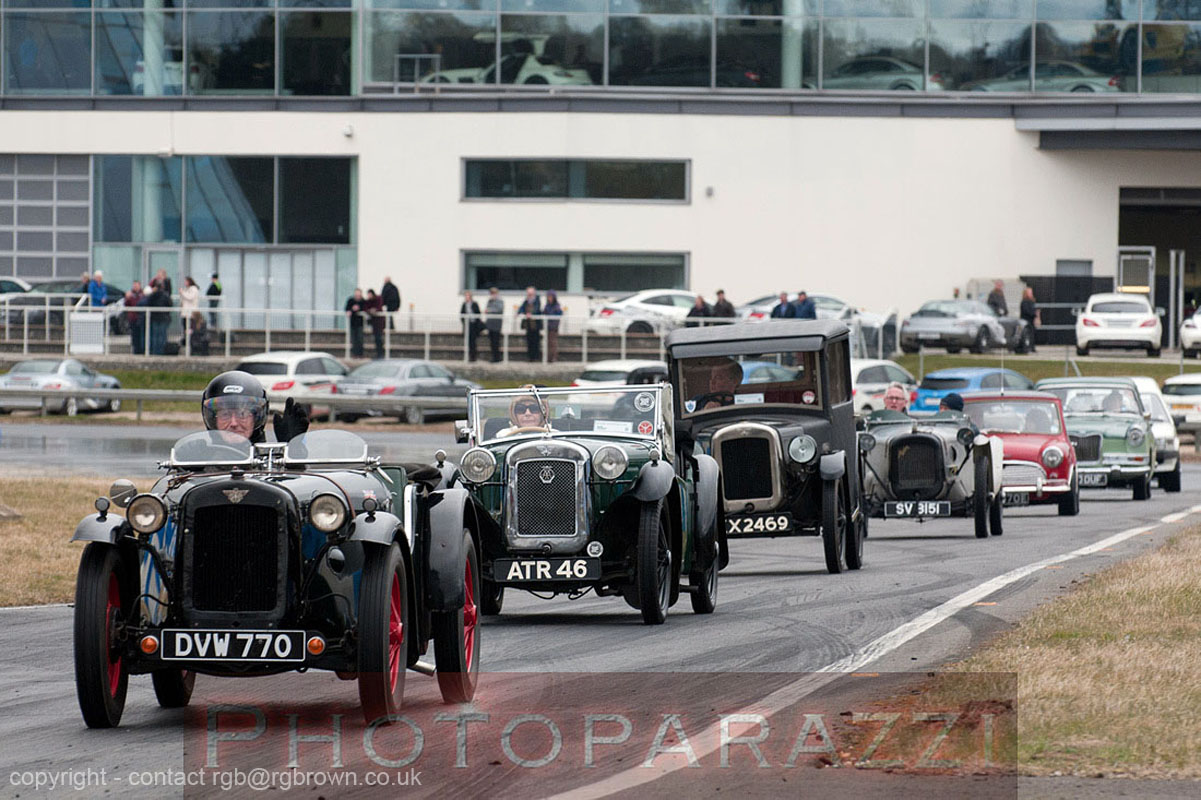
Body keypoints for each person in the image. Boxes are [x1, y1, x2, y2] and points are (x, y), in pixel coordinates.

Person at [201, 370, 308, 445]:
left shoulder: (272, 462)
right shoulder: (203, 462)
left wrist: (292, 449)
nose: (234, 423)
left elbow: (297, 476)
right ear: (213, 419)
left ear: (256, 417)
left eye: (242, 414)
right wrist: (191, 467)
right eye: (225, 414)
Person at [145, 279, 173, 355]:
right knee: (162, 335)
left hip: (155, 317)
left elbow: (148, 303)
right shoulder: (165, 295)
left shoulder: (153, 295)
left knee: (155, 335)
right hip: (163, 317)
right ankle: (161, 352)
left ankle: (155, 351)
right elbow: (170, 304)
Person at [518, 285, 542, 362]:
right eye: (528, 293)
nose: (529, 295)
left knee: (536, 341)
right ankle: (530, 357)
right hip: (528, 325)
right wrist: (519, 313)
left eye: (531, 293)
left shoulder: (537, 300)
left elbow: (537, 309)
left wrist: (531, 314)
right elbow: (521, 308)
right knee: (529, 341)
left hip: (535, 325)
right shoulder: (526, 301)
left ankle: (536, 357)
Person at [460, 290, 483, 362]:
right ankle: (469, 356)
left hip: (473, 324)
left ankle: (473, 357)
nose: (466, 297)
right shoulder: (464, 304)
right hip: (467, 324)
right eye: (465, 296)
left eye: (468, 296)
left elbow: (478, 313)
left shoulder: (474, 304)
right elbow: (462, 314)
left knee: (473, 341)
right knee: (468, 341)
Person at [124, 281, 145, 355]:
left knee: (141, 334)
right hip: (133, 318)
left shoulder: (143, 294)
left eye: (137, 285)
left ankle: (142, 350)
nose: (135, 287)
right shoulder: (130, 295)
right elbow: (126, 305)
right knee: (134, 335)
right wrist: (127, 298)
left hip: (141, 318)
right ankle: (135, 350)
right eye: (134, 286)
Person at [345, 288, 366, 358]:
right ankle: (354, 354)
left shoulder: (363, 301)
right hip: (352, 323)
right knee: (353, 339)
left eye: (358, 295)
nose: (357, 296)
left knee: (360, 339)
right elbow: (347, 309)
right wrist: (352, 309)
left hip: (360, 324)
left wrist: (358, 309)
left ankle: (360, 354)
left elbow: (365, 309)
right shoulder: (351, 300)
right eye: (356, 294)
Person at [485, 287, 504, 363]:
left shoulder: (500, 301)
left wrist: (489, 310)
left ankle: (497, 357)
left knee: (496, 341)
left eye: (493, 293)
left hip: (496, 324)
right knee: (491, 342)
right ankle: (493, 356)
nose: (492, 295)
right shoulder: (489, 301)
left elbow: (499, 309)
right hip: (490, 323)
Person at [366, 288, 386, 359]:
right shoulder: (369, 301)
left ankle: (381, 354)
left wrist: (374, 310)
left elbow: (379, 307)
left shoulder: (378, 298)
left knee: (379, 338)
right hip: (374, 323)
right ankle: (379, 353)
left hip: (379, 323)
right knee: (376, 338)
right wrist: (370, 311)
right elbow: (366, 308)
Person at [544, 290, 563, 363]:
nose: (549, 298)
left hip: (553, 327)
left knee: (553, 342)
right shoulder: (547, 305)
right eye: (548, 297)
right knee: (548, 342)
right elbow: (544, 313)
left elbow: (559, 314)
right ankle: (548, 357)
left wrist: (554, 323)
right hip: (548, 326)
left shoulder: (556, 306)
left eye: (550, 297)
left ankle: (553, 357)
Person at [1019, 286, 1039, 352]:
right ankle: (1027, 347)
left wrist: (1036, 314)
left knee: (1033, 334)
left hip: (1031, 320)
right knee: (1027, 334)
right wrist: (1033, 313)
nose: (1031, 293)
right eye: (1029, 292)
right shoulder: (1024, 302)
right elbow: (1026, 311)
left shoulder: (1032, 301)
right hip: (1026, 321)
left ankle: (1032, 347)